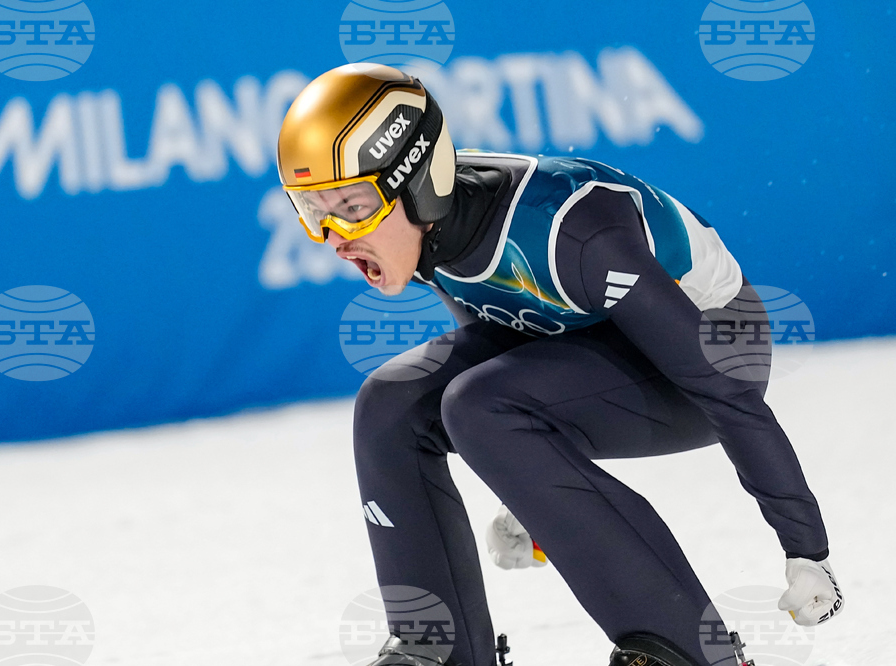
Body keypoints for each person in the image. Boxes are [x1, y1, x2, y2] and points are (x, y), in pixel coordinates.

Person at [276, 63, 844, 666]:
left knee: (480, 406)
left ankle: (685, 652)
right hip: (593, 335)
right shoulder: (429, 223)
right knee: (391, 405)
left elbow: (726, 392)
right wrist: (528, 487)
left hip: (717, 348)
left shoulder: (575, 234)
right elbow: (506, 326)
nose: (334, 236)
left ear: (417, 184)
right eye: (313, 211)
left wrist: (806, 546)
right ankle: (437, 652)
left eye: (353, 206)